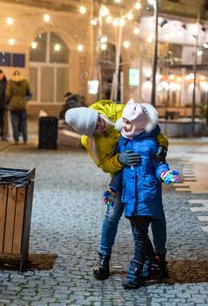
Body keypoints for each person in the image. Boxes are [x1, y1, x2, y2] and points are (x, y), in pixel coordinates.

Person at [64, 100, 169, 281]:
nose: (100, 125)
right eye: (95, 128)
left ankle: (158, 258)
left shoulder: (118, 110)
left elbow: (149, 125)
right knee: (113, 215)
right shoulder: (90, 142)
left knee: (155, 215)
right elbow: (104, 164)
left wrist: (162, 148)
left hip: (145, 170)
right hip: (120, 176)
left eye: (98, 120)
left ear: (96, 113)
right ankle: (104, 258)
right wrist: (119, 159)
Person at [114, 100, 180, 289]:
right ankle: (155, 263)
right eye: (124, 121)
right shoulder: (123, 141)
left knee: (138, 235)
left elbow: (159, 164)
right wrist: (112, 188)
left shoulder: (151, 144)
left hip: (146, 195)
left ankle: (135, 271)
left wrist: (165, 174)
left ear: (139, 124)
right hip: (130, 196)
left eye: (128, 122)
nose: (124, 125)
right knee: (140, 233)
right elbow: (119, 171)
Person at [6, 70, 31, 144]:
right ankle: (25, 139)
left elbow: (7, 94)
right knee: (23, 123)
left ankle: (16, 140)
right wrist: (25, 99)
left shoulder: (10, 82)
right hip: (22, 105)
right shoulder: (25, 82)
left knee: (15, 123)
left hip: (13, 106)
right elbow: (28, 93)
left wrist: (8, 102)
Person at [0, 69, 8, 140]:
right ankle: (0, 132)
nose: (0, 76)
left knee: (4, 120)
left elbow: (7, 95)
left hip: (4, 105)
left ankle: (4, 134)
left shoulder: (5, 83)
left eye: (1, 74)